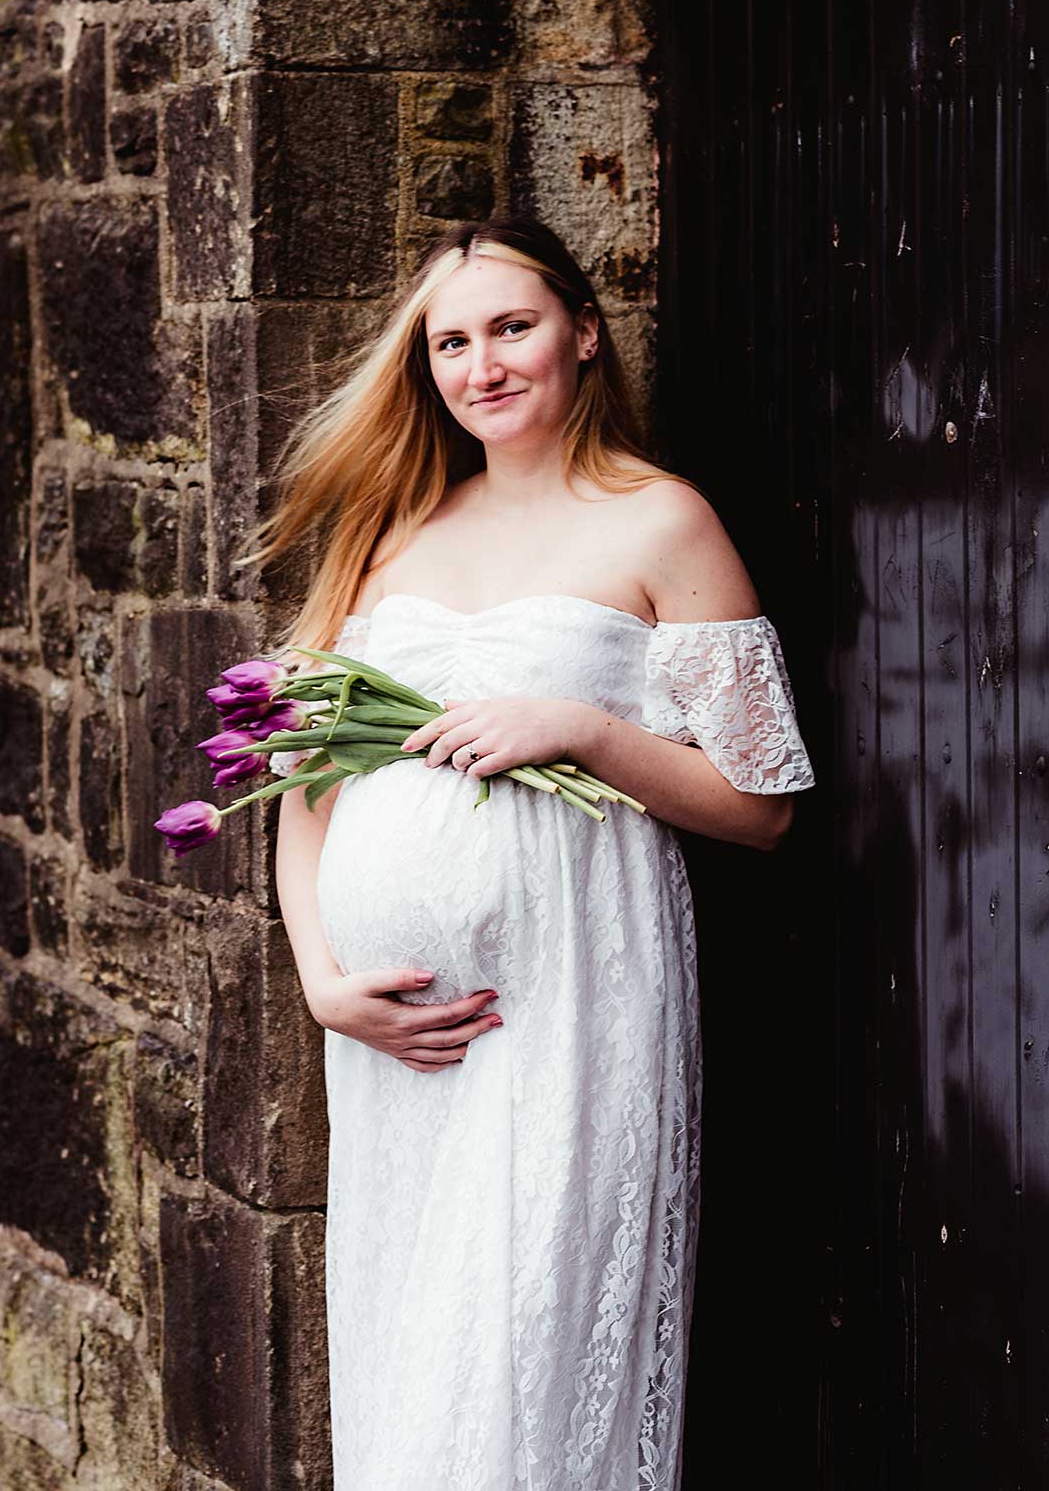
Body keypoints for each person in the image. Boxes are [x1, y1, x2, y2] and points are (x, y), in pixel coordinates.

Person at [240, 212, 816, 1490]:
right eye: (452, 341)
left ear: (583, 337)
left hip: (568, 1007)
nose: (481, 364)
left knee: (526, 1360)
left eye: (511, 327)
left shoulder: (658, 523)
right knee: (414, 1361)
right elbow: (303, 792)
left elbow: (762, 800)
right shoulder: (388, 533)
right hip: (398, 1046)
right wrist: (323, 984)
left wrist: (582, 729)